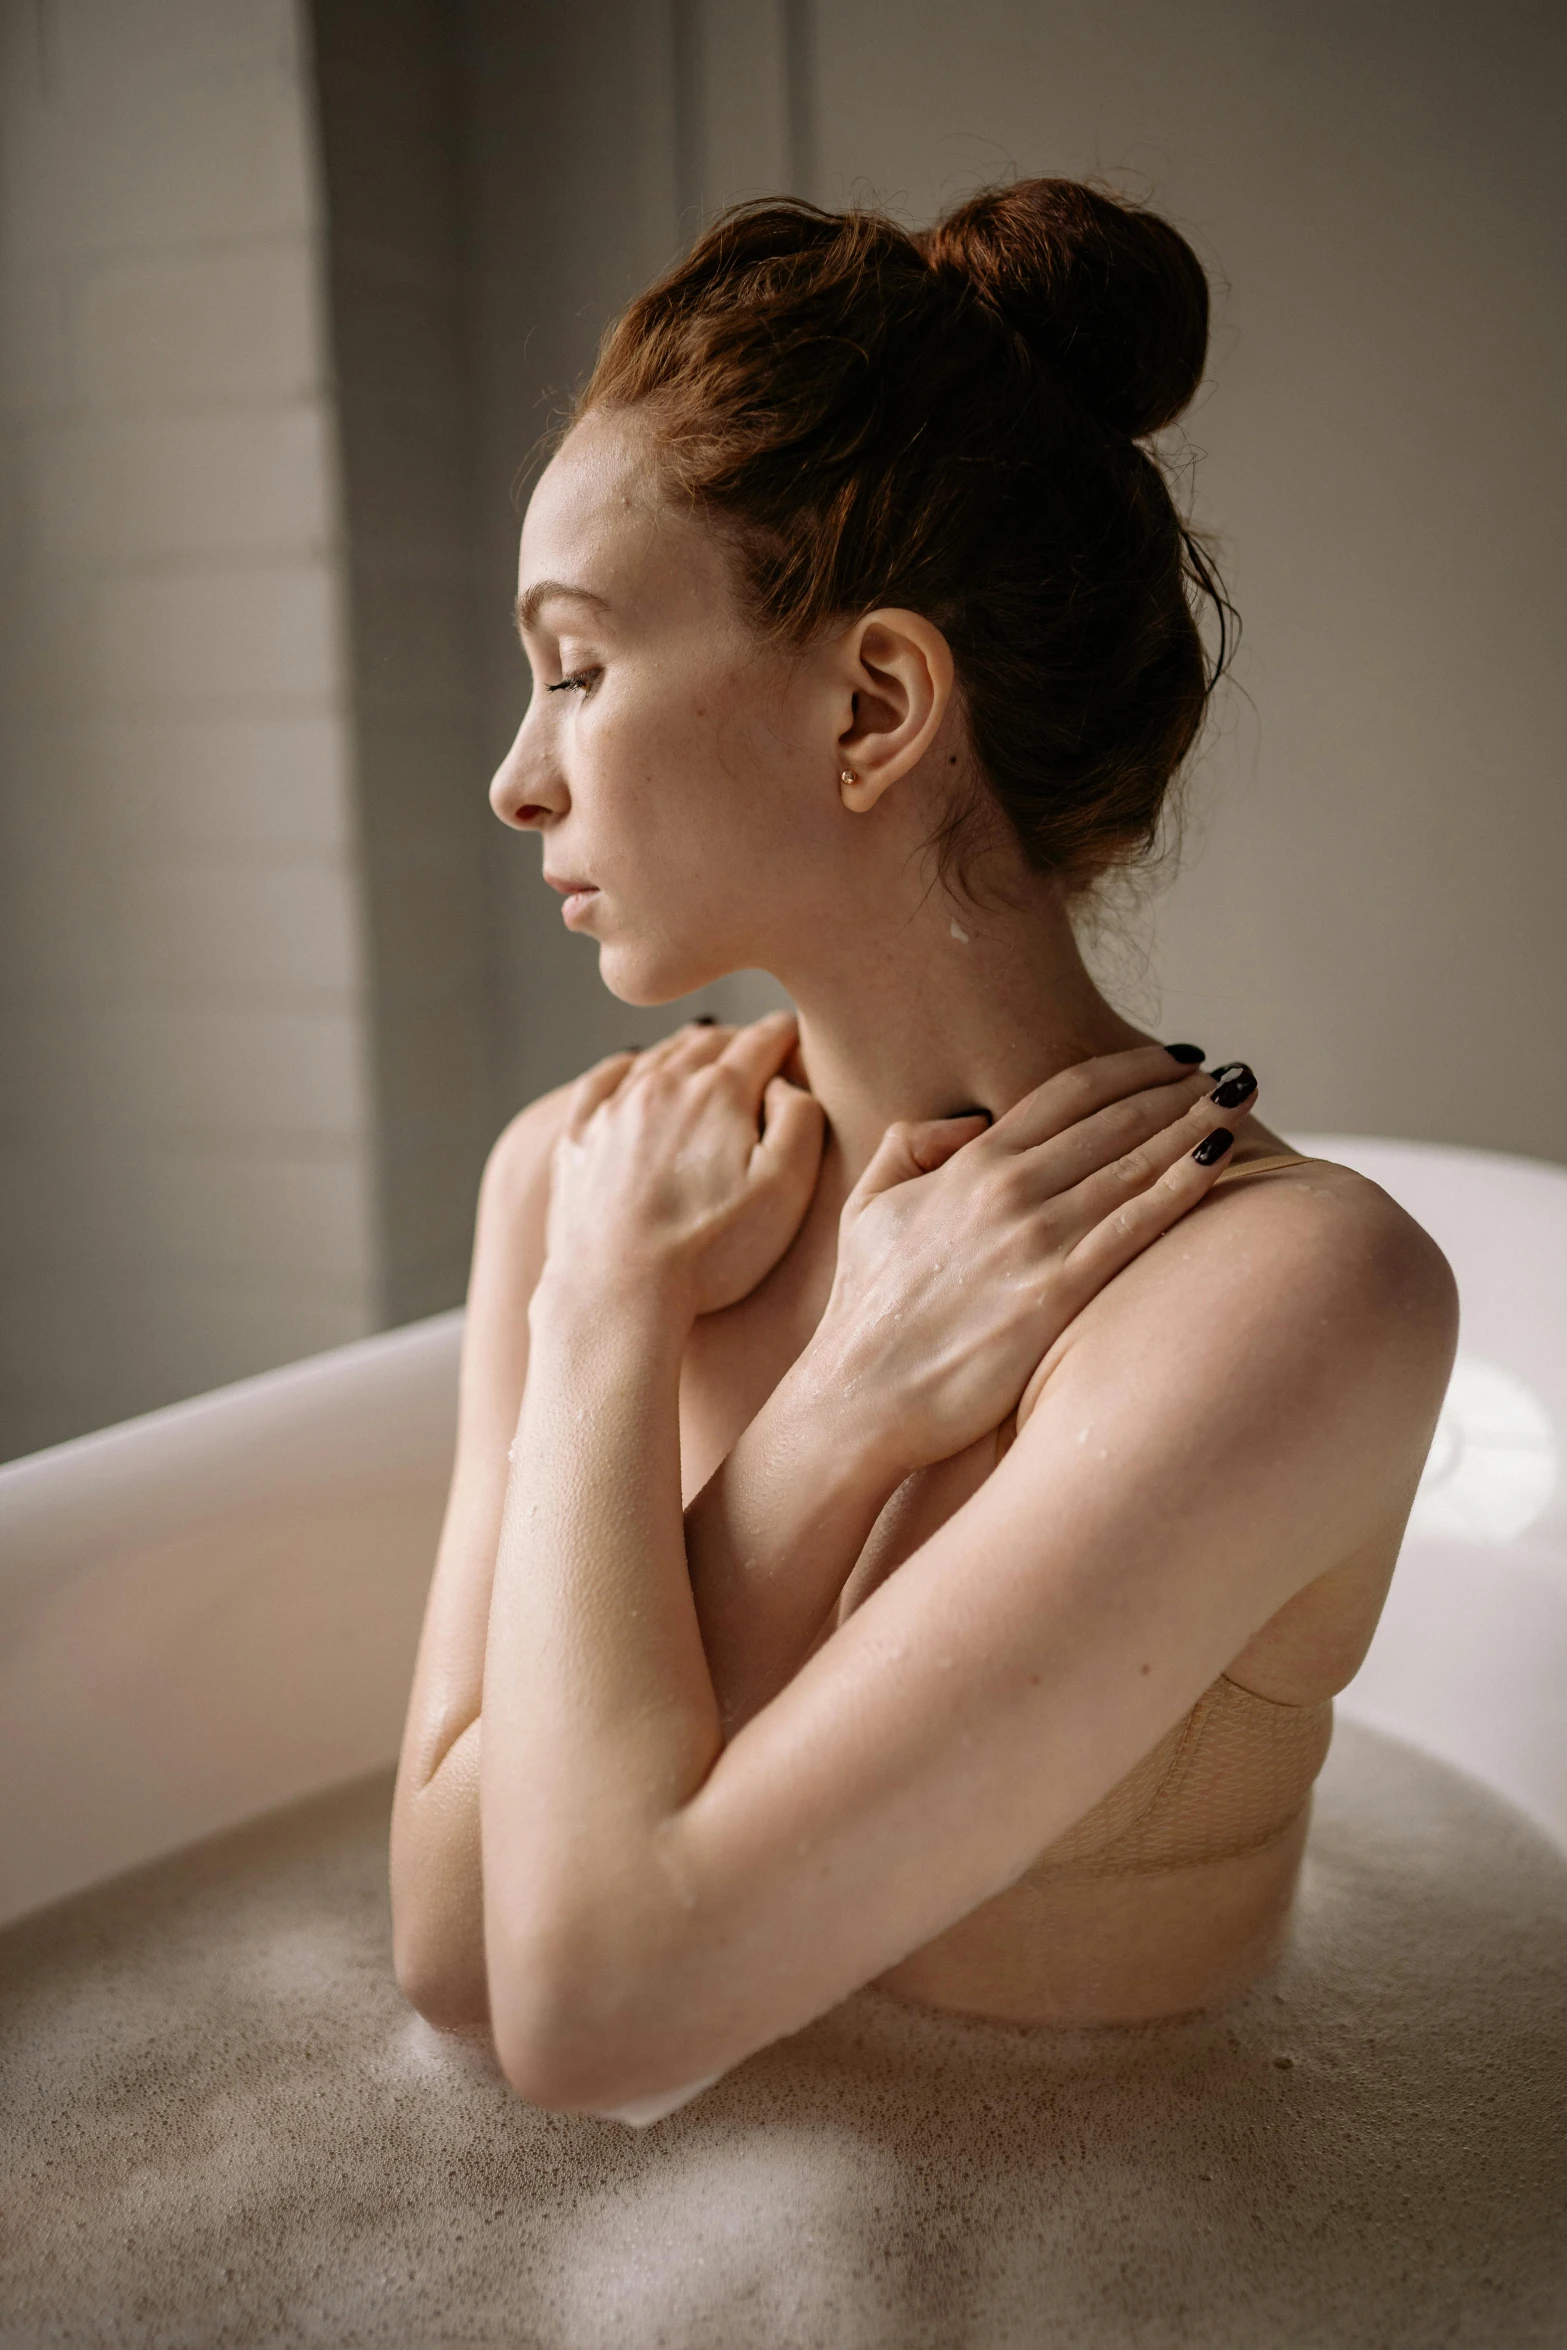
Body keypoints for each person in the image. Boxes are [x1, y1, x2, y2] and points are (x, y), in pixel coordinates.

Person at [388, 179, 1457, 2124]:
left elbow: (596, 2009)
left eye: (578, 660)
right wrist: (767, 1395)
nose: (516, 772)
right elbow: (460, 1960)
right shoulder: (587, 1185)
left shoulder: (1282, 1301)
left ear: (875, 702)